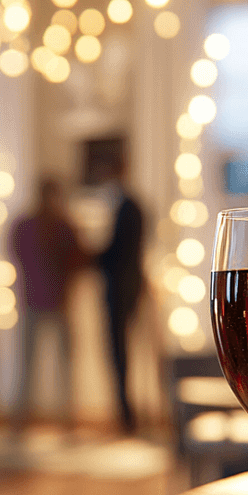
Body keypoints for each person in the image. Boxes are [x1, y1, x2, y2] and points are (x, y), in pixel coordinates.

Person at [10, 176, 85, 430]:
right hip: (45, 302)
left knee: (37, 365)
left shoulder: (29, 226)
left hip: (43, 302)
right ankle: (40, 420)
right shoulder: (59, 226)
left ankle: (51, 420)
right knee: (49, 365)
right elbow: (77, 260)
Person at [96, 151, 145, 434]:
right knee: (120, 353)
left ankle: (127, 417)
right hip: (127, 288)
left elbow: (117, 253)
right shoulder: (128, 206)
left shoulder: (128, 207)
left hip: (122, 291)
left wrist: (88, 258)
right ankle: (126, 415)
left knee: (119, 353)